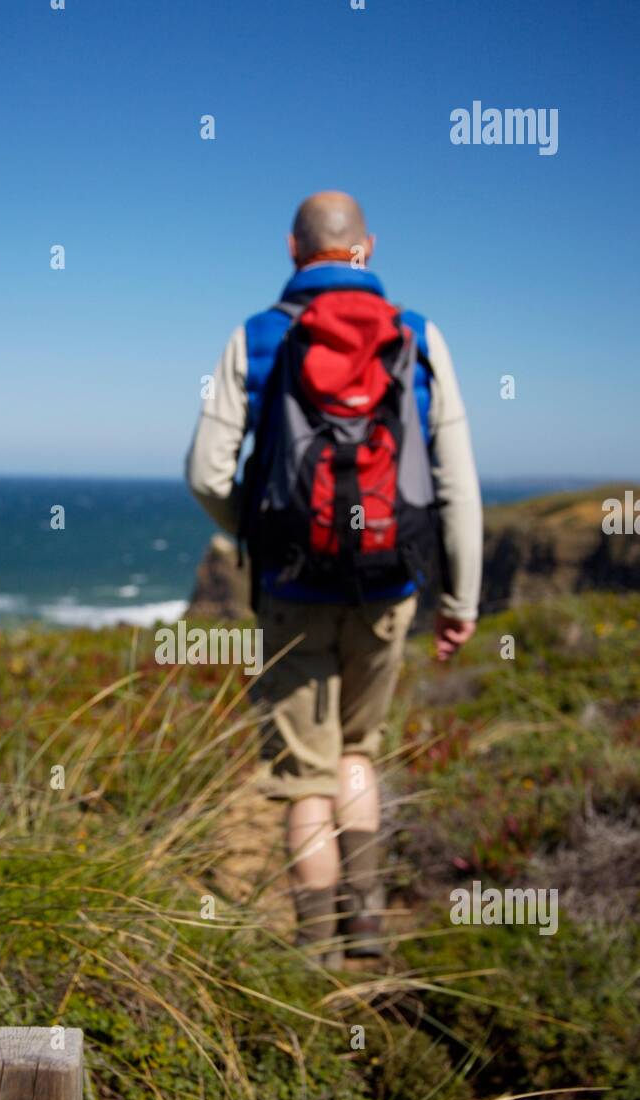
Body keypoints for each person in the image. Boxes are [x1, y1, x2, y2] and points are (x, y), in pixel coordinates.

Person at [186, 191, 482, 968]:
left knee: (301, 777)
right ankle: (368, 930)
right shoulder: (415, 336)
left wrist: (256, 529)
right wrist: (461, 599)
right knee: (358, 750)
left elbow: (205, 471)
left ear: (292, 249)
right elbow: (455, 481)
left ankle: (312, 956)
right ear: (367, 249)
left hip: (289, 585)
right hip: (389, 581)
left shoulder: (258, 337)